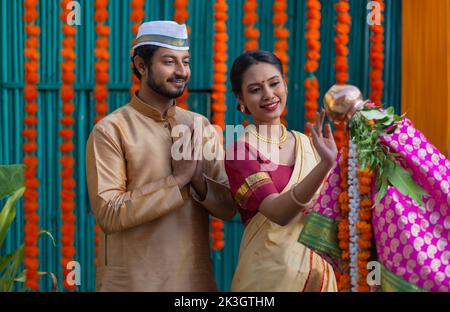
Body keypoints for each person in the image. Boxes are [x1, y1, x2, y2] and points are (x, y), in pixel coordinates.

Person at [85, 20, 237, 291]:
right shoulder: (111, 131)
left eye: (186, 61)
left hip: (193, 284)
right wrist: (178, 180)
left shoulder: (199, 126)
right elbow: (108, 213)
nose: (181, 71)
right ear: (141, 66)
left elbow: (228, 206)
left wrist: (199, 181)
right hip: (132, 283)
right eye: (169, 62)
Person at [224, 50, 338, 291]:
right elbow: (279, 212)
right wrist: (325, 165)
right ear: (240, 99)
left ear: (285, 85)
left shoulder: (308, 144)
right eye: (255, 90)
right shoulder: (240, 151)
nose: (268, 95)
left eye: (274, 83)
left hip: (318, 275)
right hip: (268, 280)